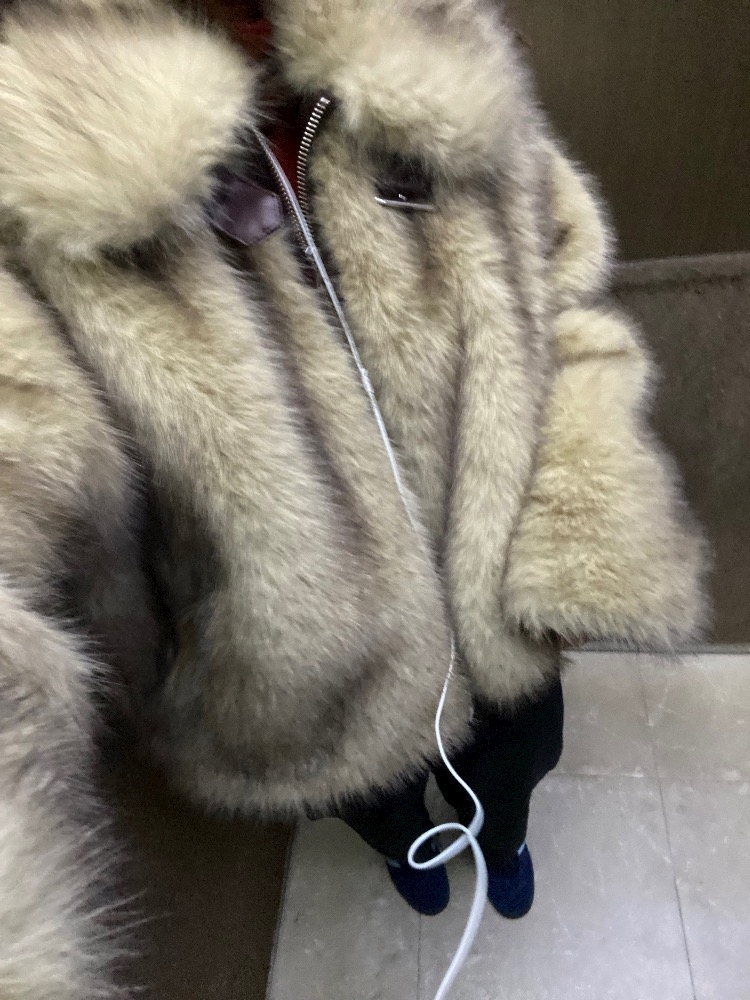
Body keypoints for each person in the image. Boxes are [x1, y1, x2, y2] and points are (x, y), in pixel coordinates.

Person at [0, 0, 706, 994]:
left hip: (504, 603)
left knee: (518, 761)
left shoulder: (440, 53)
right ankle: (410, 851)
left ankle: (501, 839)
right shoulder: (39, 173)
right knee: (377, 802)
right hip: (311, 683)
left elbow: (565, 296)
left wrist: (586, 532)